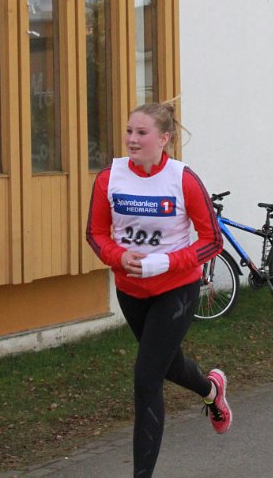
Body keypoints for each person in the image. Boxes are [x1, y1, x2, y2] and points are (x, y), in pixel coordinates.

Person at [85, 101, 231, 477]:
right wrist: (119, 256)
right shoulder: (110, 178)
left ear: (164, 139)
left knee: (147, 378)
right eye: (129, 131)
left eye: (141, 133)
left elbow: (212, 240)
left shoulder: (183, 180)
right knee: (168, 364)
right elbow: (95, 234)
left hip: (176, 289)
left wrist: (167, 262)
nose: (132, 139)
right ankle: (212, 390)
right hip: (131, 290)